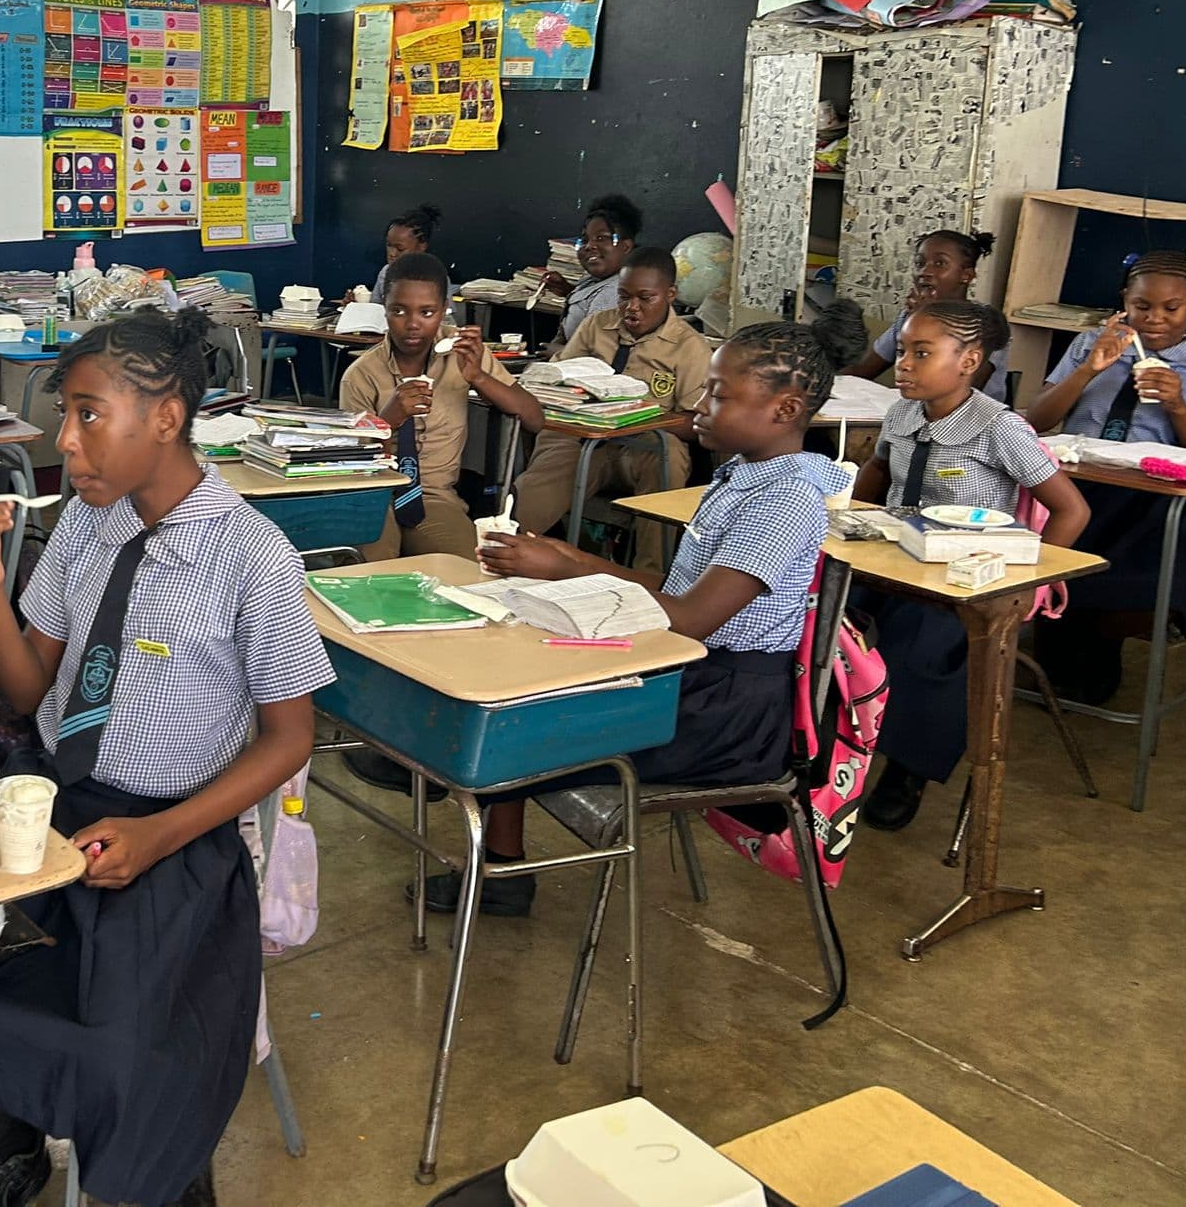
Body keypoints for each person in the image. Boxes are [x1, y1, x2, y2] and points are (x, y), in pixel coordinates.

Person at [0, 307, 331, 1207]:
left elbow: (291, 737)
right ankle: (6, 1142)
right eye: (66, 414)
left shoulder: (252, 557)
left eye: (88, 414)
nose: (66, 440)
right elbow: (27, 690)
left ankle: (159, 1173)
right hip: (56, 811)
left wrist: (159, 836)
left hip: (178, 842)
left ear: (167, 417)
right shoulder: (82, 525)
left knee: (130, 1058)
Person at [420, 323, 851, 916]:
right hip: (690, 675)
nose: (700, 407)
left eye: (719, 395)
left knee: (517, 725)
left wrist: (568, 571)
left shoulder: (785, 500)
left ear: (786, 409)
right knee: (521, 685)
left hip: (725, 711)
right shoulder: (743, 476)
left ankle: (494, 862)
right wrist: (569, 560)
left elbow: (691, 619)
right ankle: (498, 859)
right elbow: (674, 595)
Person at [854, 301, 1089, 829]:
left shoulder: (998, 428)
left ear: (968, 361)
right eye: (902, 351)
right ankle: (826, 745)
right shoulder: (902, 413)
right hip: (893, 560)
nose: (903, 364)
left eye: (921, 353)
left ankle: (907, 766)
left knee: (926, 646)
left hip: (963, 578)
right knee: (825, 618)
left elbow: (1072, 511)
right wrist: (845, 521)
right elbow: (878, 470)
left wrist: (1030, 585)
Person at [1026, 250, 1186, 706]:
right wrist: (1087, 370)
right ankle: (1055, 633)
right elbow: (1037, 421)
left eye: (1172, 308)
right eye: (1142, 306)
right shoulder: (1090, 345)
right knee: (1052, 538)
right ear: (1125, 300)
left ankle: (1090, 636)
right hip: (1074, 486)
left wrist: (1178, 406)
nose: (1155, 319)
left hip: (1150, 500)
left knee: (1128, 576)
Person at [513, 246, 713, 571]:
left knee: (670, 456)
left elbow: (697, 423)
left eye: (645, 298)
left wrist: (640, 416)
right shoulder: (597, 326)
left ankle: (650, 574)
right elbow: (556, 377)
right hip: (582, 439)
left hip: (643, 447)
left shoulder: (689, 347)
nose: (631, 307)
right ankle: (507, 547)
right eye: (623, 296)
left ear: (670, 295)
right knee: (539, 486)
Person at [340, 252, 544, 561]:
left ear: (444, 309)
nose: (412, 324)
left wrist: (478, 377)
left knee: (468, 566)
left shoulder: (463, 354)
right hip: (373, 494)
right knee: (374, 564)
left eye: (427, 312)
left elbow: (534, 419)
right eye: (398, 311)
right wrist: (388, 421)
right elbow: (347, 465)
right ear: (385, 309)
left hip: (434, 497)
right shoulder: (361, 375)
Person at [844, 230, 1007, 400]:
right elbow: (861, 372)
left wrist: (931, 320)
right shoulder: (910, 318)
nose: (925, 271)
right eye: (919, 263)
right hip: (914, 408)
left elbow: (963, 393)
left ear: (966, 275)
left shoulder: (986, 324)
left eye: (940, 263)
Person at [541, 193, 642, 344]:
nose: (589, 246)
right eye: (584, 240)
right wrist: (567, 290)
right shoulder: (597, 281)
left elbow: (598, 353)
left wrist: (558, 352)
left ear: (626, 246)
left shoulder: (615, 291)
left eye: (601, 238)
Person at [369, 202, 442, 303]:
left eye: (400, 249)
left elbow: (447, 311)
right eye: (389, 245)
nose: (392, 254)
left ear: (422, 247)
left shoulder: (436, 277)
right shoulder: (385, 273)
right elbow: (375, 307)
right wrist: (356, 305)